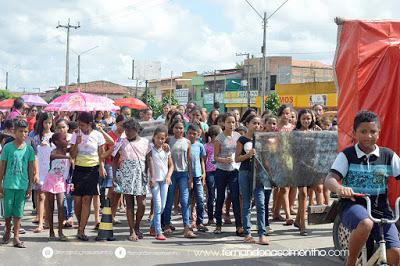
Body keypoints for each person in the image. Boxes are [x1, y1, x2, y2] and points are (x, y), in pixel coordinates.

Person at [325, 110, 400, 266]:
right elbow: (330, 179)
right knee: (365, 223)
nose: (368, 136)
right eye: (363, 131)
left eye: (373, 131)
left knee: (396, 253)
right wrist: (339, 189)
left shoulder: (388, 155)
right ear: (354, 133)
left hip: (381, 209)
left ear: (379, 132)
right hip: (353, 204)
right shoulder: (347, 155)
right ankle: (351, 261)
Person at [70, 112, 106, 241]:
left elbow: (101, 155)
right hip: (79, 169)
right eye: (79, 124)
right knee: (77, 201)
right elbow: (72, 155)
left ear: (89, 124)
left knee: (87, 200)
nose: (80, 127)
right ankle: (81, 224)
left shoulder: (98, 135)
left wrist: (102, 167)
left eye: (82, 125)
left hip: (92, 170)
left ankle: (81, 230)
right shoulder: (75, 134)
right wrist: (76, 143)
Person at [0, 120, 36, 248]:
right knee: (8, 212)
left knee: (18, 213)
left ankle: (16, 237)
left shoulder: (29, 149)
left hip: (22, 185)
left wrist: (30, 186)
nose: (23, 134)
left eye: (26, 131)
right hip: (9, 185)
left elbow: (31, 168)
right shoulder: (7, 147)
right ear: (14, 132)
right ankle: (8, 231)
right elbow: (2, 166)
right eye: (20, 131)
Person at [235, 114, 269, 245]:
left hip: (259, 174)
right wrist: (248, 155)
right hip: (245, 172)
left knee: (260, 203)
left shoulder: (262, 139)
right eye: (254, 123)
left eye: (259, 124)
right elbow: (237, 159)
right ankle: (247, 233)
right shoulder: (242, 140)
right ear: (247, 124)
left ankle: (262, 234)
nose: (257, 126)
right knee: (246, 203)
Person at [113, 118, 149, 241]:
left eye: (129, 130)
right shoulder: (121, 142)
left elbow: (149, 160)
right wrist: (114, 176)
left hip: (141, 174)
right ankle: (132, 230)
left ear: (136, 130)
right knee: (129, 204)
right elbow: (114, 159)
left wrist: (151, 176)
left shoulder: (145, 142)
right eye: (126, 130)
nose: (127, 133)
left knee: (142, 204)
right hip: (126, 174)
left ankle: (137, 225)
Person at [163, 119, 196, 238]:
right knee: (169, 200)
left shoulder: (187, 142)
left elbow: (189, 160)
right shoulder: (168, 141)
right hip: (171, 174)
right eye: (176, 127)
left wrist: (191, 177)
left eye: (181, 128)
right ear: (173, 129)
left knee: (185, 200)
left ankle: (187, 227)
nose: (179, 130)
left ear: (184, 129)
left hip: (184, 174)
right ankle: (166, 224)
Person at [213, 112, 243, 235]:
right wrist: (224, 160)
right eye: (229, 122)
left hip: (234, 171)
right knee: (220, 198)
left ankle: (239, 226)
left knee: (235, 198)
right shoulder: (219, 138)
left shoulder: (238, 136)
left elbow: (240, 152)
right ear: (223, 123)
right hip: (221, 171)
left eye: (233, 122)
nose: (231, 124)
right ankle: (218, 225)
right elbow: (215, 157)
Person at [293, 109, 321, 236]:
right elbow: (292, 151)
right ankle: (303, 225)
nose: (306, 121)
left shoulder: (315, 132)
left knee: (312, 192)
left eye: (308, 118)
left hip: (312, 166)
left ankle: (297, 220)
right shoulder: (295, 133)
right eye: (304, 118)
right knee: (303, 193)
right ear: (299, 119)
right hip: (299, 166)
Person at [42, 132, 71, 241]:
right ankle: (51, 231)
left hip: (60, 181)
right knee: (50, 207)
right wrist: (67, 158)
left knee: (61, 206)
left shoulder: (65, 150)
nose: (66, 141)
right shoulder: (53, 151)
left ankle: (60, 231)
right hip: (50, 180)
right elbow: (53, 156)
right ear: (57, 142)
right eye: (64, 139)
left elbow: (74, 147)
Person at [148, 126, 173, 240]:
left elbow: (171, 165)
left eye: (163, 138)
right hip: (155, 181)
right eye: (158, 138)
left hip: (165, 181)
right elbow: (148, 163)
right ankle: (159, 232)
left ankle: (153, 226)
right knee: (158, 206)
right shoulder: (150, 148)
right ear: (154, 137)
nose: (161, 140)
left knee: (162, 207)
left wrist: (168, 176)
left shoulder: (166, 149)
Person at [32, 112, 54, 233]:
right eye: (46, 123)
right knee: (40, 195)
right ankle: (40, 222)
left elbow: (56, 152)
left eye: (50, 123)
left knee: (49, 197)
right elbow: (34, 155)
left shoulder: (54, 136)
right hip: (40, 168)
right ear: (41, 123)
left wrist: (49, 145)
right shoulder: (36, 138)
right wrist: (35, 172)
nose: (48, 125)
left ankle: (47, 221)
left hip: (51, 169)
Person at [102, 115, 125, 224]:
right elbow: (103, 152)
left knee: (118, 192)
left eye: (125, 125)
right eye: (121, 125)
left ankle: (113, 215)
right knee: (112, 190)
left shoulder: (126, 136)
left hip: (122, 166)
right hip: (110, 165)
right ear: (116, 123)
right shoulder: (109, 135)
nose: (123, 128)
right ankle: (107, 214)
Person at [275, 104, 296, 225]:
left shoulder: (293, 128)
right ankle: (287, 215)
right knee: (283, 188)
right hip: (278, 159)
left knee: (289, 187)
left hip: (291, 159)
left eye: (287, 113)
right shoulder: (276, 128)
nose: (285, 115)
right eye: (283, 113)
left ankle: (277, 212)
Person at [187, 123, 207, 232]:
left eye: (195, 134)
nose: (192, 136)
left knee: (200, 199)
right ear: (187, 133)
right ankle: (189, 222)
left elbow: (202, 160)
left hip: (198, 175)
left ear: (198, 135)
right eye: (190, 133)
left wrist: (204, 173)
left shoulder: (200, 145)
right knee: (188, 200)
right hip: (187, 176)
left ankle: (200, 222)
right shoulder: (185, 144)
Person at [55, 119, 74, 228]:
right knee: (63, 195)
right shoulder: (55, 138)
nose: (61, 129)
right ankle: (65, 217)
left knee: (69, 194)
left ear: (67, 127)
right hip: (60, 170)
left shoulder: (73, 137)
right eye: (59, 127)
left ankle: (70, 216)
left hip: (71, 169)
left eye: (63, 127)